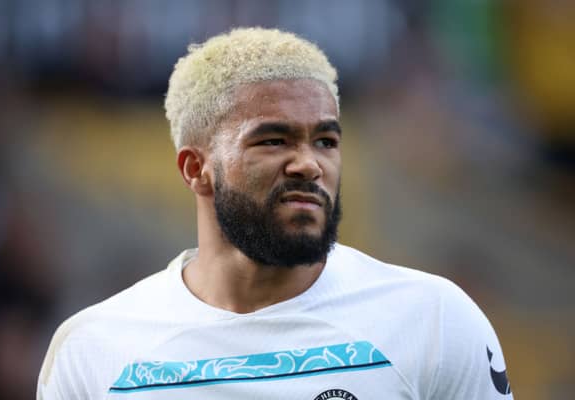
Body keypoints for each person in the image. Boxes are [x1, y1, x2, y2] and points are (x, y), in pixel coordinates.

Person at [37, 27, 513, 399]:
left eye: (325, 140)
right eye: (273, 140)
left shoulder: (434, 321)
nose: (309, 164)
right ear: (196, 168)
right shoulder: (93, 350)